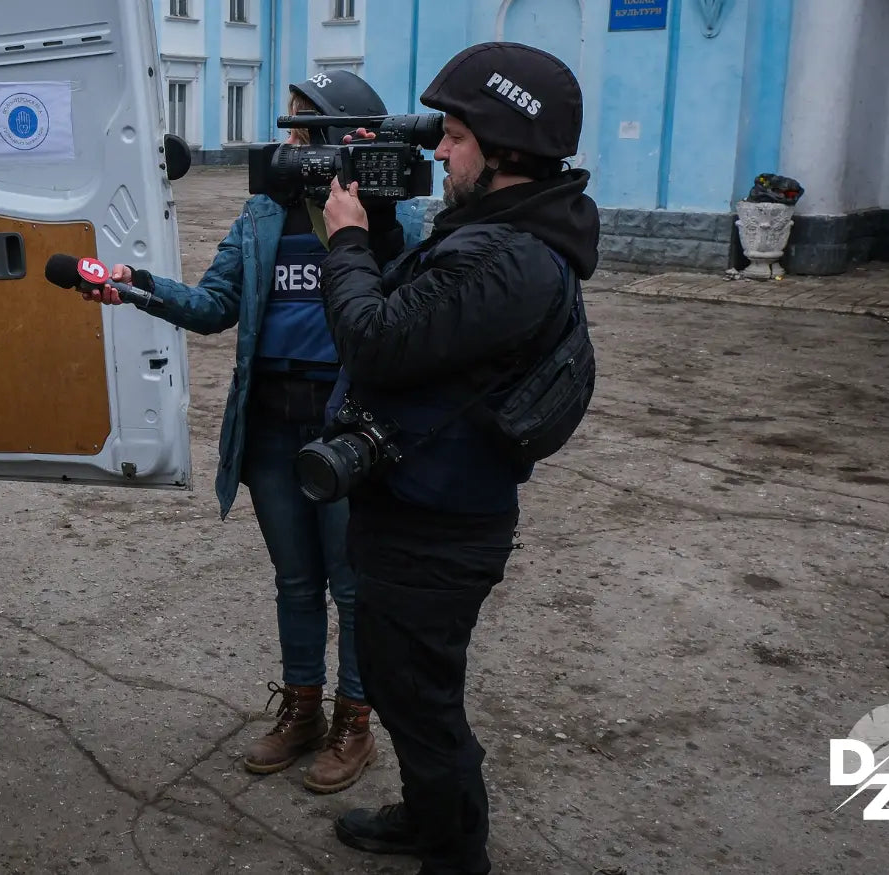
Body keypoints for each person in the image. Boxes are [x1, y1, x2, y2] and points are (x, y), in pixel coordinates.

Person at [81, 71, 422, 794]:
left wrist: (368, 221)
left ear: (349, 135)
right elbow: (212, 306)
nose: (292, 140)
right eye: (291, 125)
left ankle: (354, 721)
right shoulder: (263, 214)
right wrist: (135, 282)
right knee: (296, 579)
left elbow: (415, 323)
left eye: (305, 126)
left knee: (353, 587)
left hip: (348, 430)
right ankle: (301, 708)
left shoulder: (394, 217)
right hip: (270, 424)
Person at [314, 43, 599, 874]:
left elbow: (374, 341)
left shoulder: (505, 256)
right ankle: (427, 817)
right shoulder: (503, 232)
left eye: (457, 136)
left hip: (435, 528)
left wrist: (347, 241)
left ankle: (454, 850)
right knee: (408, 691)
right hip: (425, 507)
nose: (439, 150)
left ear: (506, 148)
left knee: (423, 701)